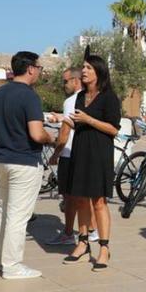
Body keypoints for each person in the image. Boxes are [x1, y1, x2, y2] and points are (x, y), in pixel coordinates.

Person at [0, 51, 54, 280]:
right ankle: (13, 266)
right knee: (18, 215)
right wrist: (50, 139)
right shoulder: (29, 96)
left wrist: (7, 134)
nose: (40, 72)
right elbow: (36, 133)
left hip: (1, 158)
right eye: (40, 68)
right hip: (23, 161)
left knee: (3, 210)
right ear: (31, 68)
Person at [63, 55, 122, 272]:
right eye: (83, 67)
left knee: (98, 201)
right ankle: (83, 242)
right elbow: (77, 123)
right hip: (80, 151)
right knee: (80, 200)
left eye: (88, 68)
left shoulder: (109, 98)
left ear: (98, 71)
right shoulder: (79, 97)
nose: (84, 71)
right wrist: (61, 120)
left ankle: (104, 248)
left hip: (99, 153)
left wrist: (89, 120)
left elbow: (114, 129)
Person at [48, 67, 96, 248]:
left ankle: (68, 232)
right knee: (87, 195)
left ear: (76, 81)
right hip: (86, 153)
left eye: (65, 81)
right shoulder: (91, 97)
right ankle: (93, 230)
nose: (64, 85)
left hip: (69, 153)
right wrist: (60, 117)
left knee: (69, 196)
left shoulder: (72, 100)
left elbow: (66, 131)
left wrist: (56, 153)